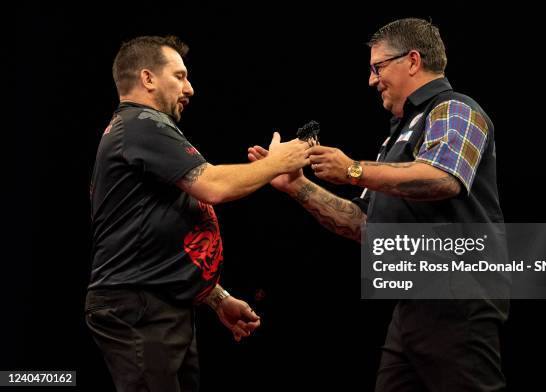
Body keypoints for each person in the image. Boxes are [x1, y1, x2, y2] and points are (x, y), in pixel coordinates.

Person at [248, 18, 508, 391]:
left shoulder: (455, 109)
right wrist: (297, 187)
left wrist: (352, 169)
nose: (371, 80)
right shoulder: (397, 137)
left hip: (457, 300)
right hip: (411, 307)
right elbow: (363, 224)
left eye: (377, 67)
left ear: (413, 60)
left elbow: (443, 179)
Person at [87, 35, 310, 392]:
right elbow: (214, 185)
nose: (190, 88)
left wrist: (216, 296)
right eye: (180, 76)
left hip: (157, 305)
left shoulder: (141, 131)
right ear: (147, 78)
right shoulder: (141, 123)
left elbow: (161, 239)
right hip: (139, 308)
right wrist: (279, 163)